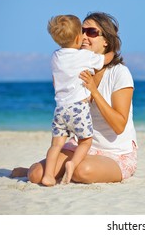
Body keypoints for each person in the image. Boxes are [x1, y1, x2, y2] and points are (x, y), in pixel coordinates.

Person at [11, 12, 138, 184]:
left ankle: (68, 168)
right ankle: (34, 169)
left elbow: (119, 125)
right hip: (80, 148)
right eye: (82, 31)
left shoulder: (119, 73)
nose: (84, 36)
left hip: (115, 153)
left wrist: (94, 91)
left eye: (91, 32)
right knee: (35, 175)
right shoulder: (73, 68)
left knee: (81, 171)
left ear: (106, 40)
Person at [43, 14, 115, 186]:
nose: (84, 36)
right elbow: (105, 60)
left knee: (55, 145)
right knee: (85, 141)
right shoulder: (84, 57)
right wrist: (112, 51)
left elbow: (56, 79)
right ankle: (73, 163)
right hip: (78, 109)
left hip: (60, 109)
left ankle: (48, 176)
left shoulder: (55, 57)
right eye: (82, 32)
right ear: (77, 38)